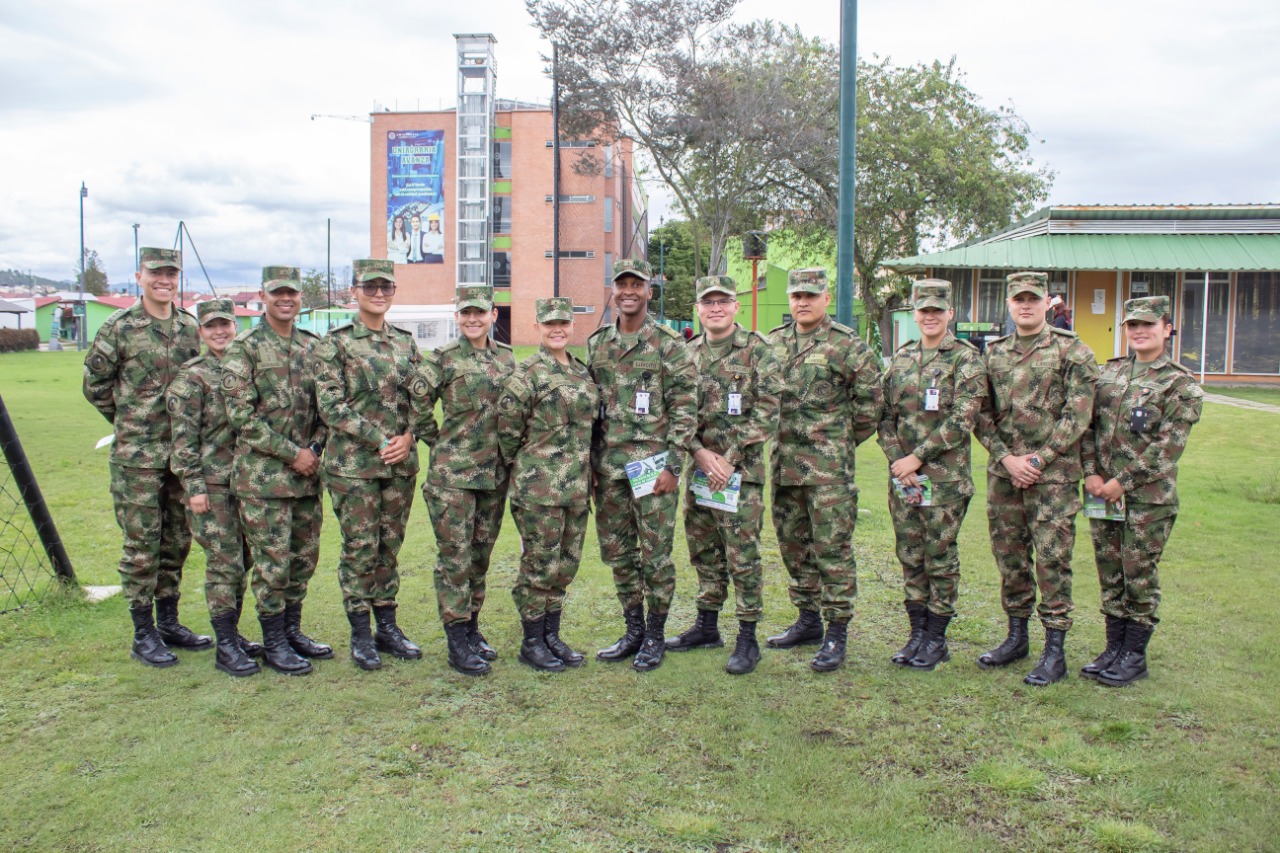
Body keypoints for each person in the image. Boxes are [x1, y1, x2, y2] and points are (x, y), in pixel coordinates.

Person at [83, 246, 208, 668]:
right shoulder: (119, 328)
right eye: (156, 273)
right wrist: (128, 422)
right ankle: (143, 633)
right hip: (137, 458)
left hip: (182, 456)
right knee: (141, 546)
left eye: (171, 274)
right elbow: (95, 385)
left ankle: (169, 622)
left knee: (176, 541)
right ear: (140, 277)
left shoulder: (191, 328)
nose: (164, 281)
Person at [975, 271, 1099, 686]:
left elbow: (1078, 414)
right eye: (1018, 299)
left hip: (1053, 478)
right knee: (1009, 557)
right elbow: (981, 414)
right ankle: (1016, 637)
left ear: (1048, 301)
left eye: (1033, 298)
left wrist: (1039, 459)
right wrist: (1007, 459)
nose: (1025, 305)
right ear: (1009, 305)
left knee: (1052, 560)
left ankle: (1055, 650)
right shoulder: (992, 354)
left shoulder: (1073, 351)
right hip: (1005, 475)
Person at [1080, 296, 1201, 687]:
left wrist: (1121, 482)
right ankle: (1113, 648)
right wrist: (1092, 475)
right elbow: (1088, 429)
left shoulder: (1179, 384)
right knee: (1110, 572)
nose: (1139, 331)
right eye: (1133, 325)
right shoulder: (1108, 375)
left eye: (1148, 324)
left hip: (1147, 500)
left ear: (1167, 328)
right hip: (1102, 493)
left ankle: (1135, 655)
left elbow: (1167, 447)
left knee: (1139, 574)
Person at [766, 268, 883, 672]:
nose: (802, 302)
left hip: (829, 472)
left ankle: (837, 631)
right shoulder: (774, 343)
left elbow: (870, 405)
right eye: (797, 295)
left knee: (832, 551)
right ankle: (808, 620)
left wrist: (837, 442)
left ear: (826, 298)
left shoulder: (848, 345)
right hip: (784, 467)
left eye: (811, 296)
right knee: (793, 547)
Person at [666, 276, 781, 675]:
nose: (715, 308)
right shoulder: (685, 353)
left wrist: (729, 459)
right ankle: (707, 626)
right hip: (700, 471)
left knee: (742, 555)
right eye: (708, 302)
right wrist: (698, 453)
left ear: (736, 307)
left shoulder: (757, 350)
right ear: (698, 309)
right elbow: (676, 408)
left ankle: (747, 637)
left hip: (740, 473)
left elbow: (768, 409)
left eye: (723, 301)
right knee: (704, 550)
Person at [221, 266, 330, 676]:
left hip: (307, 476)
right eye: (277, 293)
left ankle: (292, 630)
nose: (286, 299)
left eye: (292, 293)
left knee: (303, 558)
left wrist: (315, 449)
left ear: (300, 298)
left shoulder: (312, 347)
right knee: (272, 563)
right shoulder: (244, 348)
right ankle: (274, 642)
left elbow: (327, 406)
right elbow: (241, 417)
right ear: (263, 297)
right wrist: (292, 453)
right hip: (263, 479)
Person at [589, 258, 698, 672]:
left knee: (655, 556)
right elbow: (593, 410)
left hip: (654, 468)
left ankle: (655, 633)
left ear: (649, 292)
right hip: (610, 469)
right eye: (623, 285)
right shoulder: (598, 344)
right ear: (613, 292)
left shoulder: (669, 344)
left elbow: (686, 408)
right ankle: (632, 628)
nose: (629, 291)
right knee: (619, 554)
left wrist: (673, 466)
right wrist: (591, 469)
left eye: (638, 284)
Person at [314, 259, 422, 671]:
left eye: (386, 288)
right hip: (354, 467)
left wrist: (410, 436)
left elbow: (420, 399)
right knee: (361, 548)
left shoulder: (405, 343)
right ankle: (361, 633)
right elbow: (331, 405)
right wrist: (381, 439)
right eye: (371, 287)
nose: (379, 294)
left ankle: (387, 627)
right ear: (354, 291)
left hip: (399, 467)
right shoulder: (335, 343)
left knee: (389, 548)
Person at [877, 280, 987, 671]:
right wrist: (898, 461)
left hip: (944, 481)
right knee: (910, 555)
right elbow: (883, 418)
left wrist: (917, 459)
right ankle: (916, 634)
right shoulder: (901, 359)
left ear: (949, 314)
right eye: (923, 310)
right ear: (914, 313)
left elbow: (964, 418)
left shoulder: (965, 359)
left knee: (939, 557)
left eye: (937, 311)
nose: (929, 316)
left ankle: (937, 638)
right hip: (904, 480)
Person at [410, 284, 515, 676]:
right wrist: (438, 441)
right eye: (466, 313)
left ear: (493, 315)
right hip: (452, 478)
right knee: (455, 558)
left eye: (480, 313)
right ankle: (456, 641)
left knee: (480, 558)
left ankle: (472, 629)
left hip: (493, 475)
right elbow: (416, 403)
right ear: (458, 317)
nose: (473, 319)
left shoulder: (506, 359)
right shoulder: (443, 358)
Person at [496, 297, 600, 672]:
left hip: (576, 488)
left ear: (572, 326)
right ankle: (531, 641)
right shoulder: (527, 375)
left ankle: (551, 635)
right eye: (550, 324)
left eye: (564, 323)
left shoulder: (582, 373)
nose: (557, 329)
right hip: (539, 490)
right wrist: (530, 469)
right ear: (539, 326)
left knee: (565, 565)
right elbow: (507, 432)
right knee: (539, 565)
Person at [168, 299, 263, 676]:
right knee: (224, 565)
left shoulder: (244, 368)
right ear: (200, 332)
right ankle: (225, 646)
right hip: (210, 483)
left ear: (235, 326)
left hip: (246, 482)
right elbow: (182, 439)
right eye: (211, 327)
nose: (220, 332)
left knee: (243, 560)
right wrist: (194, 487)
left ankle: (233, 634)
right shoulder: (191, 377)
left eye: (225, 325)